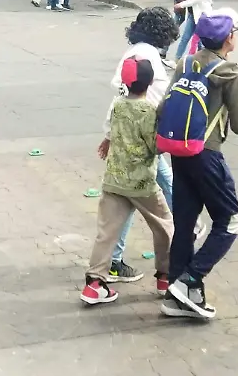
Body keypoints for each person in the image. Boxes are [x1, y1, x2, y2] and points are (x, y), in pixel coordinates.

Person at [163, 9, 238, 320]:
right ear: (228, 38)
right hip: (206, 154)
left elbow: (166, 103)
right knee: (231, 219)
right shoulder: (228, 71)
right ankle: (190, 279)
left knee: (185, 223)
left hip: (179, 150)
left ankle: (176, 295)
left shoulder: (185, 63)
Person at [81, 56, 175, 305]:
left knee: (106, 233)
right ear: (150, 82)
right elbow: (156, 147)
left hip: (114, 181)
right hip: (142, 184)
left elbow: (111, 131)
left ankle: (94, 285)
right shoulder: (148, 111)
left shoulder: (117, 104)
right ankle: (165, 277)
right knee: (164, 226)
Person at [101, 7, 181, 283]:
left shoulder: (135, 52)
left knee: (151, 189)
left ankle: (114, 259)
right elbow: (158, 97)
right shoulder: (147, 56)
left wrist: (109, 135)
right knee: (142, 196)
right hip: (143, 137)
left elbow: (118, 97)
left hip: (128, 136)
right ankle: (176, 241)